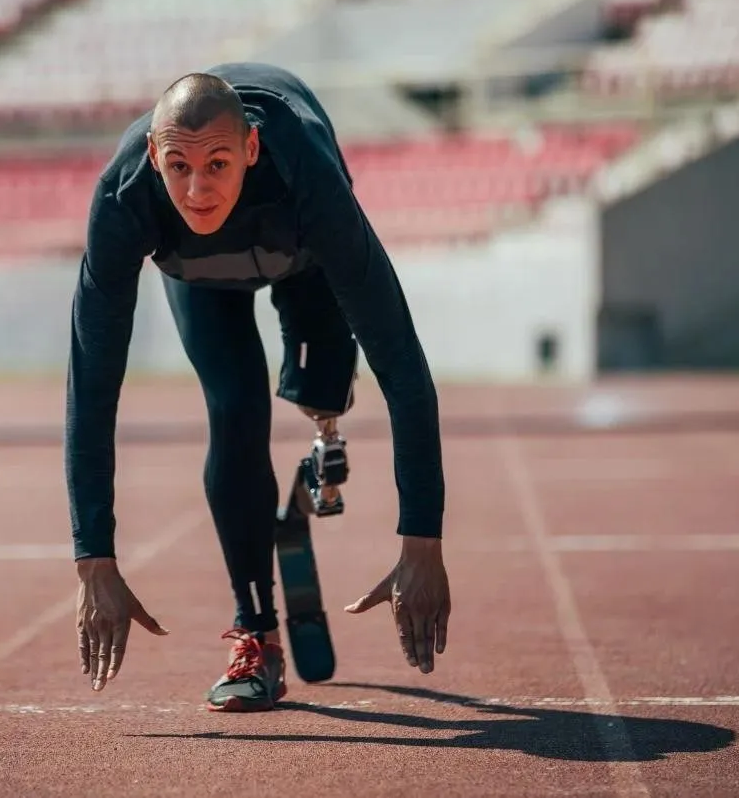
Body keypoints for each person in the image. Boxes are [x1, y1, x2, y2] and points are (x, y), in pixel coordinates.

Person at [65, 61, 451, 712]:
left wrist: (422, 541)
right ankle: (255, 631)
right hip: (201, 280)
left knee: (321, 391)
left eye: (217, 164)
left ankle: (325, 437)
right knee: (236, 412)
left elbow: (404, 365)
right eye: (179, 167)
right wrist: (92, 559)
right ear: (155, 156)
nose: (197, 189)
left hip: (302, 254)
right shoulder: (122, 200)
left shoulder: (308, 180)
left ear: (250, 148)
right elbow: (92, 384)